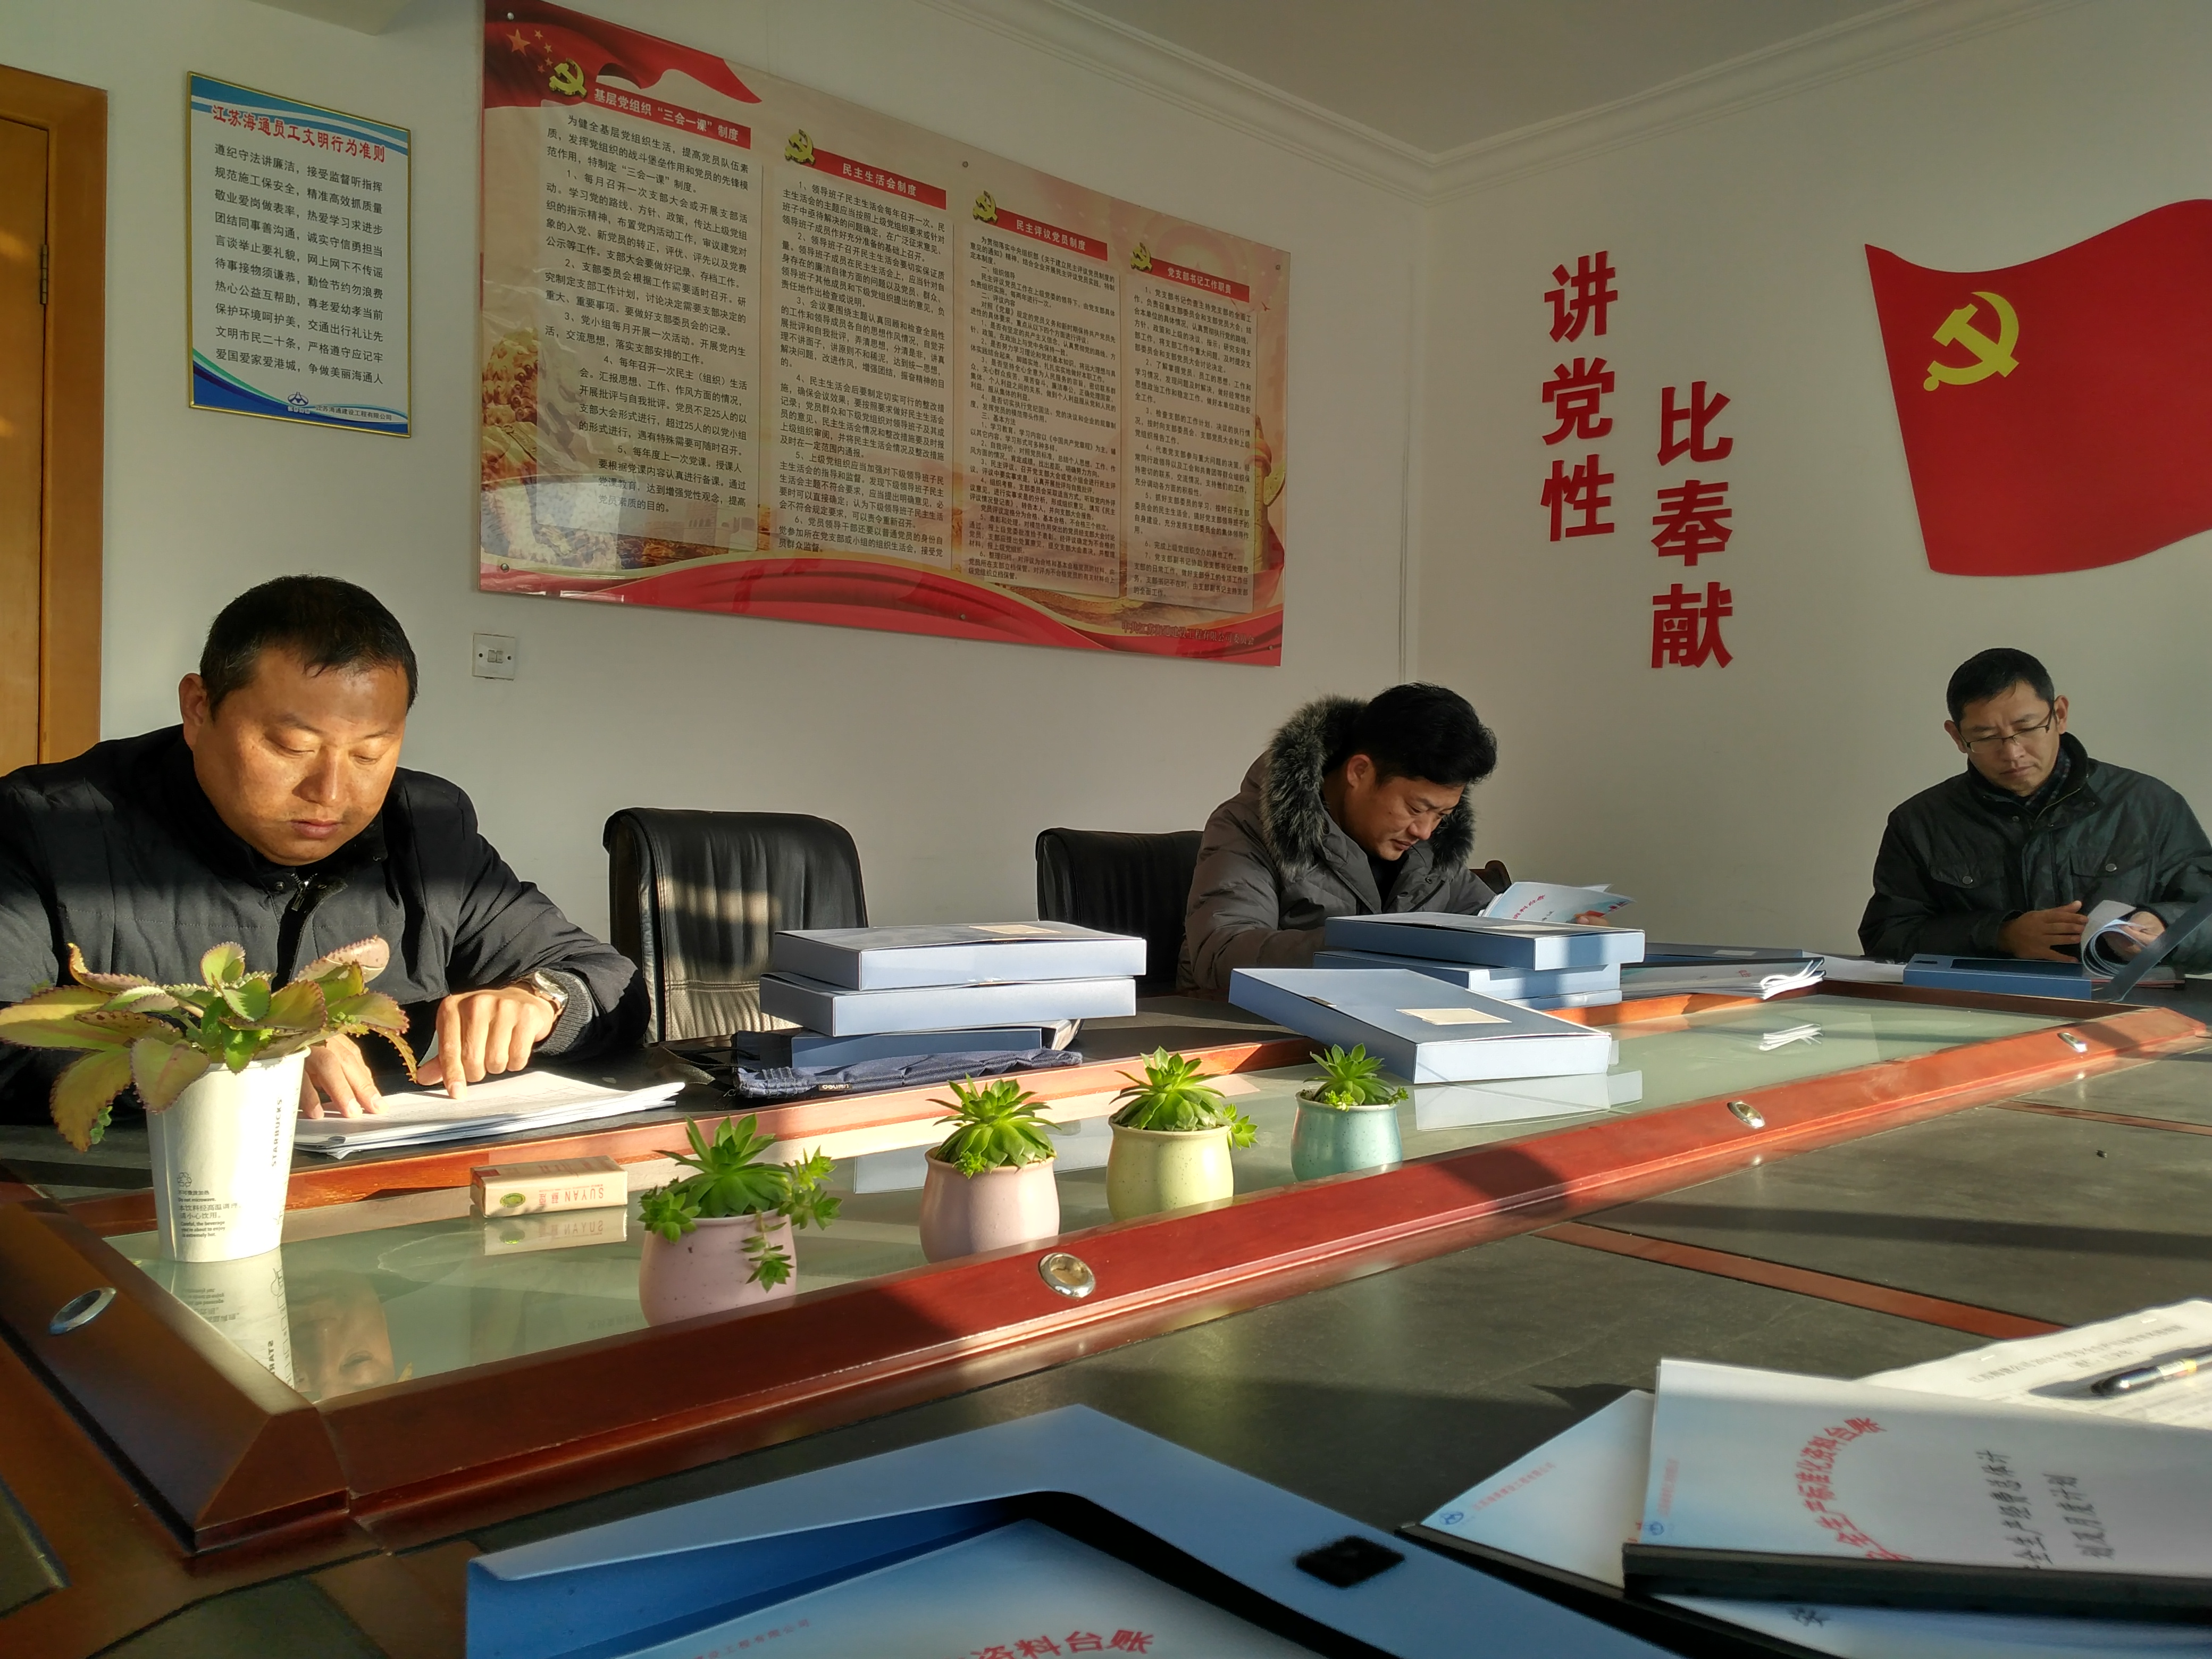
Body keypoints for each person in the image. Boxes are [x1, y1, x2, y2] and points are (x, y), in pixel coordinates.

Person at [0, 576, 643, 1126]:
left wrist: (543, 1000)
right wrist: (244, 1062)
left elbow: (607, 981)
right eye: (293, 747)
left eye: (370, 753)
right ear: (198, 709)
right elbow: (8, 1042)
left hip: (379, 1193)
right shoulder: (44, 826)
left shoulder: (426, 829)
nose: (331, 792)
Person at [1859, 647, 2212, 968]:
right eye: (1986, 738)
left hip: (2126, 1008)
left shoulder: (2147, 805)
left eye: (2027, 728)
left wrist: (2163, 925)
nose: (2012, 753)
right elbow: (1886, 937)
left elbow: (2206, 915)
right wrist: (2000, 935)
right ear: (1957, 737)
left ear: (2059, 714)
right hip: (1982, 1007)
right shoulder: (1921, 822)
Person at [1180, 683, 1499, 995]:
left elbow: (1492, 919)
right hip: (1247, 1022)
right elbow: (1223, 954)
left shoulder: (1435, 846)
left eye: (1442, 814)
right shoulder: (1249, 825)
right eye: (1416, 809)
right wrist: (1370, 946)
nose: (1425, 831)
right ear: (1359, 772)